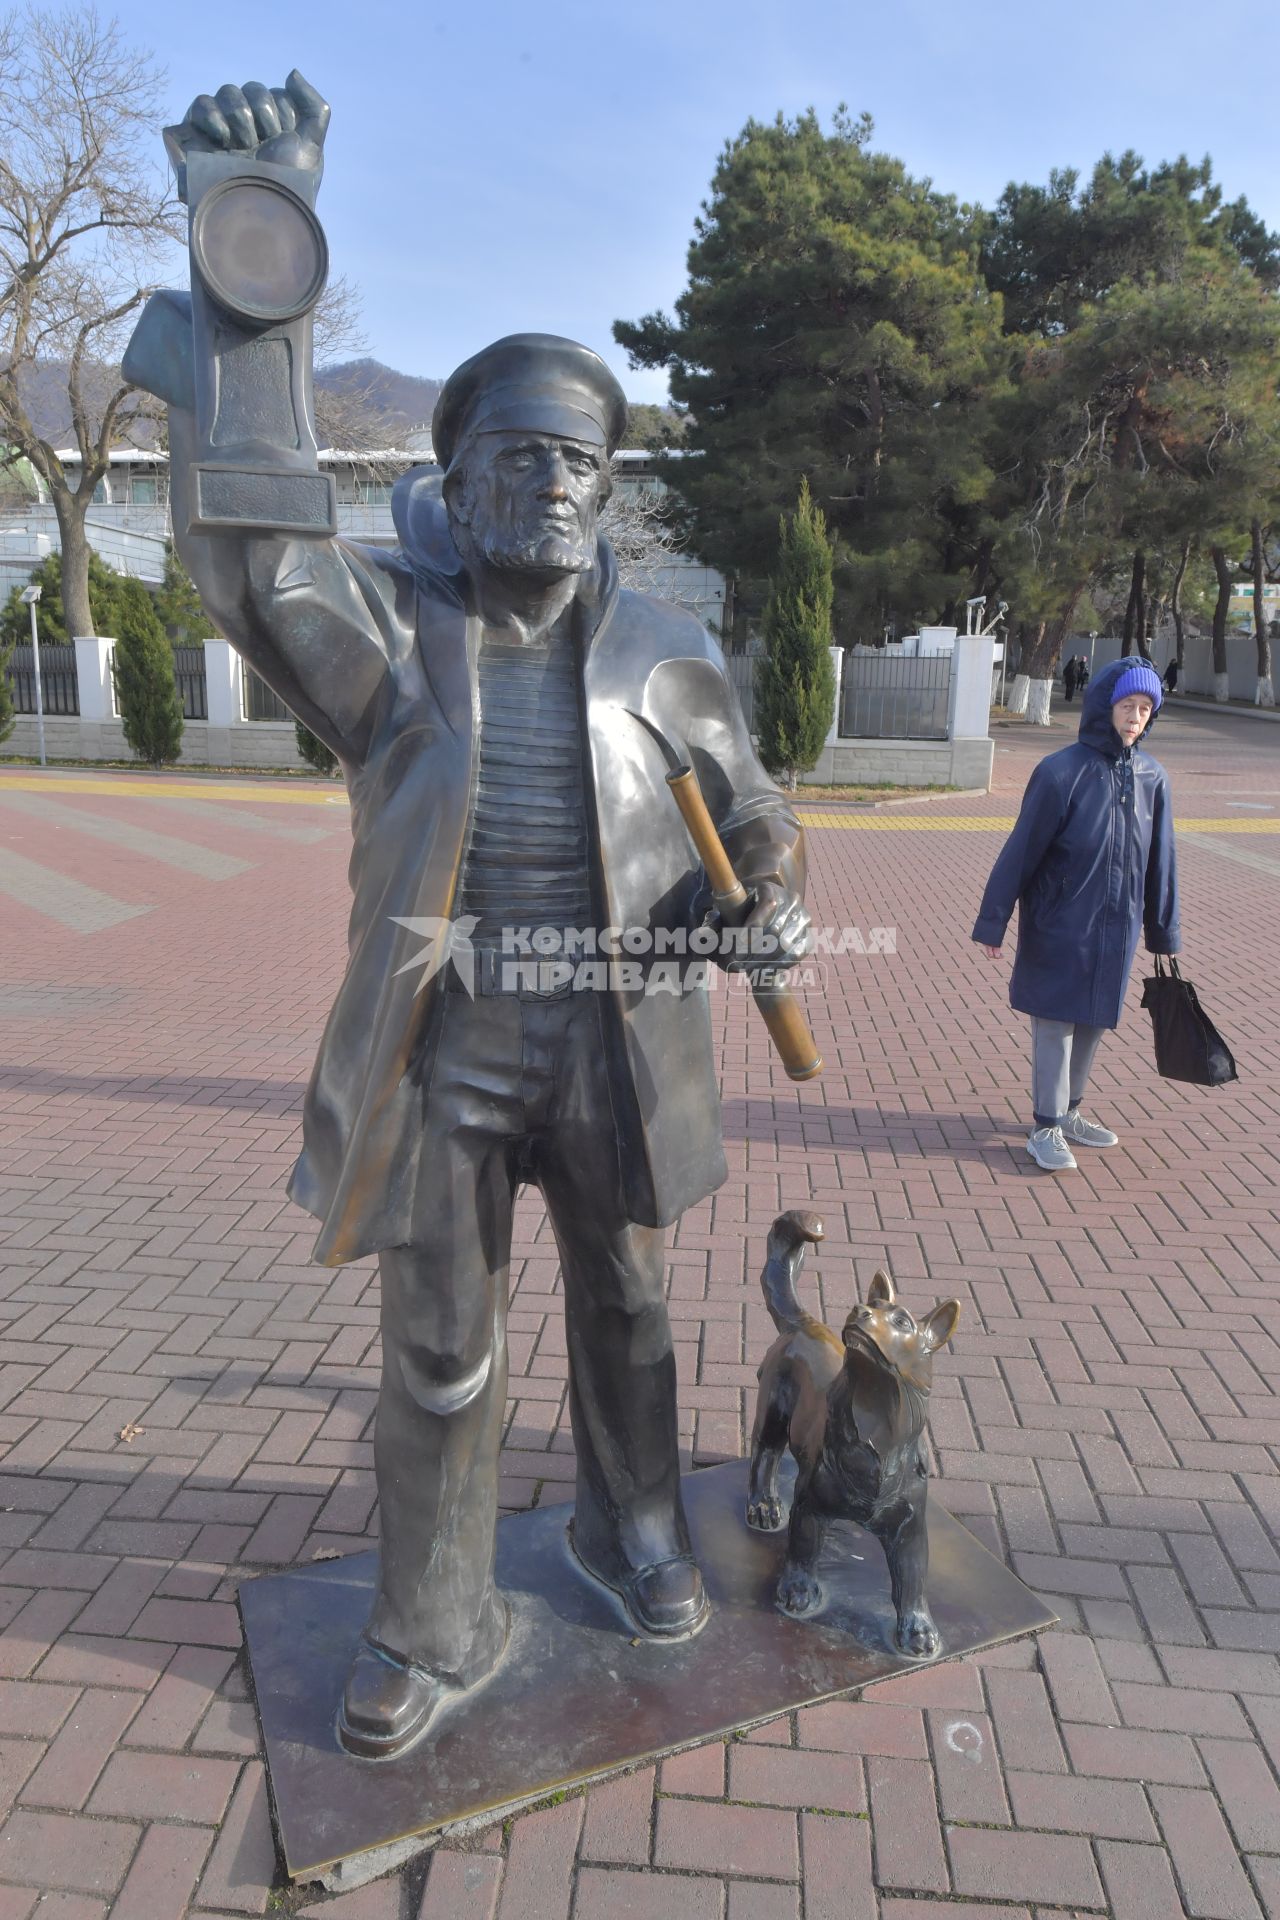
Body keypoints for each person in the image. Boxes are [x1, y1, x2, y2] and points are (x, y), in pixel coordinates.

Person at [124, 75, 811, 1759]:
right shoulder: (389, 628)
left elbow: (758, 825)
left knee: (632, 1308)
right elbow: (256, 562)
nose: (552, 487)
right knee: (440, 1348)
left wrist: (770, 908)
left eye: (579, 461)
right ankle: (430, 1623)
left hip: (616, 1038)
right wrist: (250, 277)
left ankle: (630, 1529)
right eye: (518, 457)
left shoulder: (668, 655)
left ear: (607, 486)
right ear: (463, 475)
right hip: (450, 1041)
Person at [972, 658, 1180, 1171]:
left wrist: (1163, 930)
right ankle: (1044, 1126)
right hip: (1060, 920)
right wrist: (994, 920)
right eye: (1127, 705)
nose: (1135, 717)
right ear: (1105, 707)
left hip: (1118, 923)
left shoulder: (1154, 777)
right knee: (1056, 1021)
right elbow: (1021, 850)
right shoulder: (1060, 771)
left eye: (1145, 708)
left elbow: (1163, 858)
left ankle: (1068, 1113)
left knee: (1094, 1020)